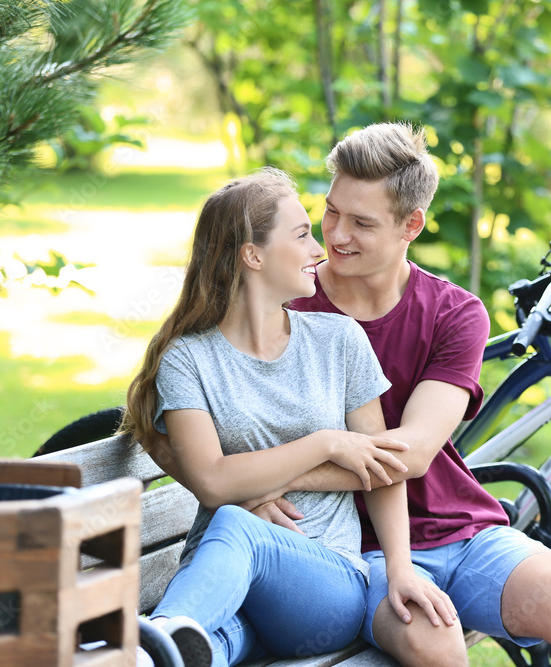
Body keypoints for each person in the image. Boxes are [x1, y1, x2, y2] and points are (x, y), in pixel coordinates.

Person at [270, 122, 551, 667]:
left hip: (463, 530)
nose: (336, 236)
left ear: (412, 224)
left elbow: (409, 453)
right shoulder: (289, 306)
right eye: (332, 211)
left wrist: (269, 473)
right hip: (357, 550)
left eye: (362, 222)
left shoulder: (454, 313)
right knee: (436, 641)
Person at [120, 167, 456, 667]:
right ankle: (148, 656)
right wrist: (325, 442)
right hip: (226, 589)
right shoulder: (187, 359)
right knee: (205, 649)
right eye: (302, 235)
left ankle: (158, 635)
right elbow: (212, 479)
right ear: (252, 255)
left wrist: (400, 568)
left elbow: (382, 468)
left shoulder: (338, 341)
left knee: (234, 522)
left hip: (325, 587)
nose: (319, 249)